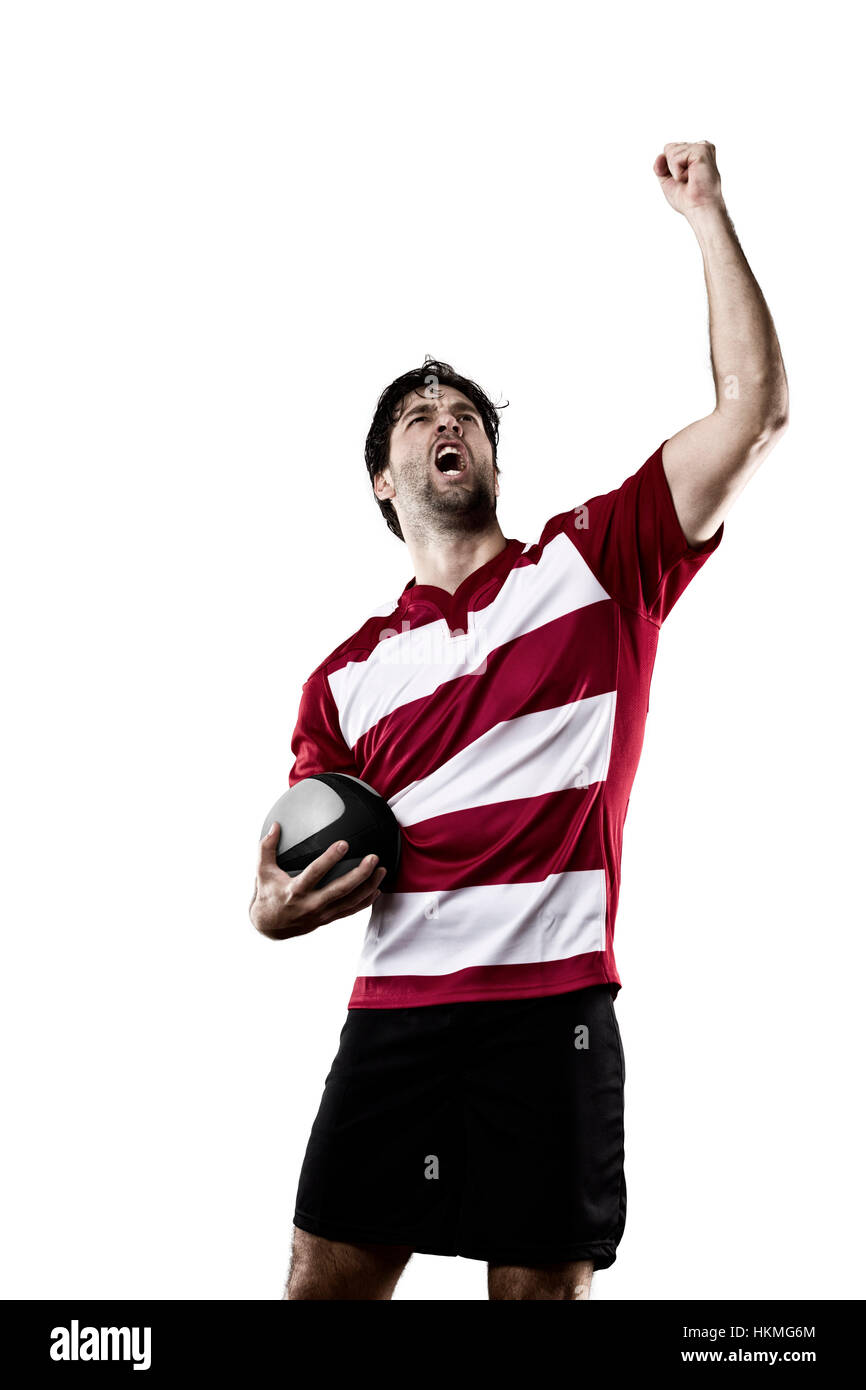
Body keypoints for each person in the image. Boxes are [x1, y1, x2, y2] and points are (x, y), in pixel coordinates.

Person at [249, 141, 788, 1301]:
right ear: (383, 483)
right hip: (396, 1018)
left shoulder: (593, 564)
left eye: (463, 411)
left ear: (489, 453)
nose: (443, 417)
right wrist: (267, 907)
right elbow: (297, 852)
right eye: (414, 413)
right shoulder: (341, 678)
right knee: (315, 1284)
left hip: (554, 1015)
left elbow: (752, 413)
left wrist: (703, 216)